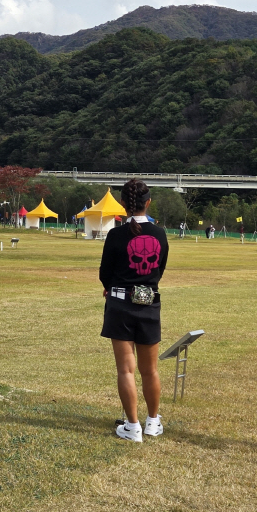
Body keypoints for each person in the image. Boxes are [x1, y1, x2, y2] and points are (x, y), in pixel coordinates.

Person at [99, 178, 169, 443]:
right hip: (149, 302)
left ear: (122, 204)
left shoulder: (115, 235)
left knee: (125, 370)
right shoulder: (160, 234)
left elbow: (105, 274)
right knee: (149, 370)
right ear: (148, 202)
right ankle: (152, 422)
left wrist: (111, 286)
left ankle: (133, 426)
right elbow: (158, 269)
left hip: (119, 304)